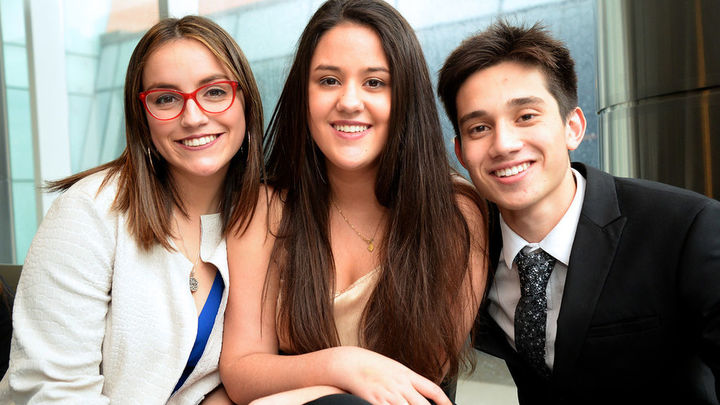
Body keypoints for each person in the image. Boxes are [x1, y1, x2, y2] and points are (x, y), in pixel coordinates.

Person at [437, 21, 720, 404]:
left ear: (573, 127)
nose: (503, 144)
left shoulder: (687, 228)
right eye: (479, 128)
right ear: (460, 152)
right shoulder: (468, 247)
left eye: (526, 116)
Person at [219, 0, 488, 404]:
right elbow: (242, 371)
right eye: (328, 80)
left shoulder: (453, 212)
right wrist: (342, 364)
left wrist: (287, 394)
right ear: (303, 94)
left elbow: (416, 383)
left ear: (406, 97)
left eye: (375, 82)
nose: (348, 101)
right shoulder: (266, 208)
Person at [0, 15, 264, 404]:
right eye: (166, 99)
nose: (193, 117)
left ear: (245, 100)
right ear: (142, 116)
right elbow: (49, 391)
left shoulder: (265, 217)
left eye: (214, 91)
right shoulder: (88, 212)